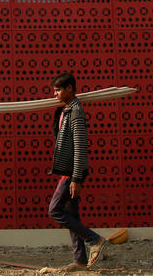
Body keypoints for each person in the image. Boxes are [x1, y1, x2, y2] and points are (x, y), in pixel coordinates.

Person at [49, 72, 107, 271]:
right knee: (70, 214)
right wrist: (58, 111)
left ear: (70, 89)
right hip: (68, 170)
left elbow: (81, 147)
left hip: (71, 172)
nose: (55, 94)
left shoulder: (76, 113)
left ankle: (95, 240)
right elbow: (59, 138)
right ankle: (80, 260)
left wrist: (76, 178)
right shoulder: (66, 110)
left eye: (58, 90)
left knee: (55, 210)